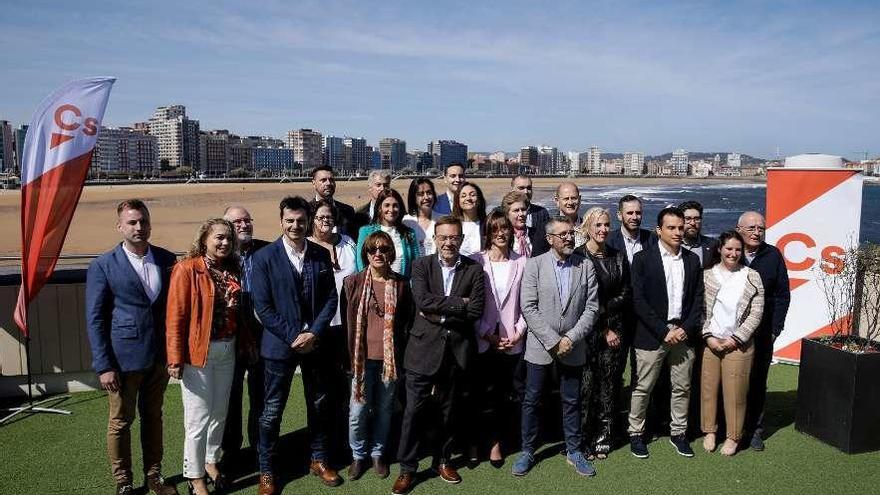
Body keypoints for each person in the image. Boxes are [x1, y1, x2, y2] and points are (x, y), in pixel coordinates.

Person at [85, 199, 179, 495]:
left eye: (143, 222)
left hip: (159, 358)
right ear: (120, 226)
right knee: (121, 422)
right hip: (122, 361)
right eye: (132, 222)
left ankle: (154, 476)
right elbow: (96, 319)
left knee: (154, 417)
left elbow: (173, 310)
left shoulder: (167, 259)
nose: (139, 227)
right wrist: (104, 365)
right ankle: (124, 482)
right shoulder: (103, 265)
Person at [250, 196, 340, 495]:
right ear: (281, 221)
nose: (295, 226)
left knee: (319, 404)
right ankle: (267, 469)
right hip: (278, 347)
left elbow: (330, 299)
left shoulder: (319, 254)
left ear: (308, 221)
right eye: (290, 220)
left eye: (301, 221)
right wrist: (294, 336)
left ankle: (319, 458)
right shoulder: (264, 258)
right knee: (271, 410)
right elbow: (263, 307)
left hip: (315, 345)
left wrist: (313, 333)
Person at [392, 216, 485, 495]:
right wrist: (459, 303)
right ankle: (407, 468)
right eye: (443, 237)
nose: (448, 242)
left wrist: (440, 311)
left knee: (449, 411)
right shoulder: (421, 266)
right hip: (422, 350)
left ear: (460, 239)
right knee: (413, 412)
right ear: (435, 238)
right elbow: (422, 301)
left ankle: (442, 460)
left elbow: (476, 310)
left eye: (453, 237)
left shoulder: (474, 270)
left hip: (457, 351)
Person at [166, 218, 254, 495]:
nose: (225, 243)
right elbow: (175, 317)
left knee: (219, 413)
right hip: (198, 354)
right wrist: (174, 358)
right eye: (218, 238)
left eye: (229, 238)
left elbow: (238, 313)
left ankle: (211, 461)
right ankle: (194, 477)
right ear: (204, 239)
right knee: (197, 418)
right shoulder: (187, 269)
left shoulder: (233, 269)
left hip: (227, 350)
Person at [513, 216, 599, 478]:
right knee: (532, 400)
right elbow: (528, 306)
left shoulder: (585, 265)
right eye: (562, 234)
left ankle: (574, 450)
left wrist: (570, 338)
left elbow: (592, 307)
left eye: (570, 233)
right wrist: (553, 340)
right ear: (549, 239)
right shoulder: (535, 265)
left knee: (572, 400)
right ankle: (527, 450)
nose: (568, 238)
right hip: (540, 346)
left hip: (573, 347)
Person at [628, 207, 704, 459]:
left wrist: (684, 329)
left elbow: (697, 301)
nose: (678, 232)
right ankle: (636, 433)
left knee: (682, 387)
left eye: (681, 227)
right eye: (671, 228)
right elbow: (638, 301)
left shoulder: (693, 260)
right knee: (643, 387)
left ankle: (679, 433)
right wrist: (663, 331)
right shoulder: (642, 258)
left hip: (683, 335)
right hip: (652, 335)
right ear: (659, 230)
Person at [340, 231, 414, 480]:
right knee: (357, 412)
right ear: (366, 254)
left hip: (389, 362)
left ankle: (378, 454)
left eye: (383, 249)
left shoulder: (402, 284)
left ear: (391, 253)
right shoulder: (352, 283)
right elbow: (347, 324)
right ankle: (358, 456)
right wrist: (347, 358)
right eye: (373, 250)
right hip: (361, 361)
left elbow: (408, 323)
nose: (378, 254)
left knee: (384, 410)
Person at [470, 211, 528, 467]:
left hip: (513, 341)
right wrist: (487, 334)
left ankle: (502, 441)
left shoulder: (523, 262)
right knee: (483, 394)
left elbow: (528, 304)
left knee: (509, 394)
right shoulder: (475, 261)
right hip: (484, 339)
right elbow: (471, 304)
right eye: (495, 230)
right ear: (488, 233)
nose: (501, 234)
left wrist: (518, 332)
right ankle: (481, 442)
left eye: (505, 229)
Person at [700, 230, 765, 456]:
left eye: (738, 249)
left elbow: (756, 313)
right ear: (720, 249)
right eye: (729, 248)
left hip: (739, 345)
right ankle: (709, 431)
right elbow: (700, 310)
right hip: (711, 342)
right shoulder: (706, 275)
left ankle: (733, 436)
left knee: (735, 393)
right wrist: (708, 336)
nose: (733, 253)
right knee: (708, 389)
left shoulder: (751, 276)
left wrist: (736, 338)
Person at [574, 207, 632, 459]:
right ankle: (583, 438)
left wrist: (607, 317)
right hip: (587, 332)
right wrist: (603, 325)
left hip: (615, 330)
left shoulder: (619, 257)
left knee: (609, 384)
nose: (603, 230)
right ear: (587, 227)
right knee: (586, 387)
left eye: (607, 225)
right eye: (598, 225)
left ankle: (605, 435)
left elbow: (626, 292)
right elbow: (581, 298)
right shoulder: (578, 257)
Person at [308, 199, 358, 462]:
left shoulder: (349, 243)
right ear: (312, 220)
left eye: (329, 216)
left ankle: (346, 444)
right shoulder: (305, 247)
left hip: (347, 328)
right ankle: (320, 451)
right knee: (320, 393)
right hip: (320, 330)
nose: (325, 220)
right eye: (320, 217)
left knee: (346, 390)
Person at [221, 206, 270, 469]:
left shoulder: (268, 250)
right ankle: (231, 455)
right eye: (236, 221)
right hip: (229, 339)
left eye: (247, 220)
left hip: (263, 338)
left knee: (261, 399)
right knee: (231, 399)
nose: (243, 225)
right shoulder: (218, 256)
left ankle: (260, 451)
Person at [736, 211, 790, 451]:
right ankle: (729, 428)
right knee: (731, 381)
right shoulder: (727, 251)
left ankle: (755, 430)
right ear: (739, 229)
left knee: (757, 382)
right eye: (751, 228)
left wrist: (775, 329)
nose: (757, 232)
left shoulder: (773, 255)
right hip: (730, 333)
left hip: (762, 333)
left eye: (761, 228)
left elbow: (782, 296)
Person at [355, 188, 420, 277]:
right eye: (387, 205)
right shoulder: (366, 232)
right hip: (373, 285)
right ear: (379, 208)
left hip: (402, 287)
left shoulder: (409, 234)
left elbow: (417, 265)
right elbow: (360, 261)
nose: (391, 209)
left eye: (395, 205)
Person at [310, 165, 357, 238]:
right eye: (323, 180)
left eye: (331, 180)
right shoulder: (306, 211)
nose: (328, 183)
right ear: (314, 183)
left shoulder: (348, 211)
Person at [607, 195, 655, 264]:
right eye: (630, 213)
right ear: (619, 215)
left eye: (638, 213)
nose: (634, 217)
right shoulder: (609, 242)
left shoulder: (652, 239)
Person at [501, 190, 549, 258]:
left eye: (523, 210)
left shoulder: (537, 234)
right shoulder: (502, 237)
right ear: (506, 214)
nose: (521, 214)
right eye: (516, 210)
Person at [511, 174, 550, 250]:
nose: (526, 192)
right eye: (521, 188)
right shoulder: (500, 212)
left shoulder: (542, 213)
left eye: (529, 188)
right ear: (512, 189)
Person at [402, 177, 437, 256]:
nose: (426, 197)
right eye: (421, 194)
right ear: (413, 198)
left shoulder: (442, 220)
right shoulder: (406, 222)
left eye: (429, 193)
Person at [679, 200, 718, 269]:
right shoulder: (670, 244)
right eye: (688, 219)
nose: (693, 223)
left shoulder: (713, 245)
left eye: (696, 219)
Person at [452, 181, 487, 256]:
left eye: (472, 195)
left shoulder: (488, 224)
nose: (468, 198)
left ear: (479, 199)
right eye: (463, 196)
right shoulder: (452, 225)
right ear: (457, 201)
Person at [353, 169, 391, 234]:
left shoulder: (398, 213)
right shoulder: (359, 215)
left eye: (386, 185)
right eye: (378, 185)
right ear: (370, 188)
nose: (382, 188)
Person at [553, 182, 586, 247]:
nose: (570, 202)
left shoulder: (588, 227)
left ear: (579, 199)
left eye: (574, 198)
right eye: (566, 199)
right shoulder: (547, 228)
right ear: (557, 201)